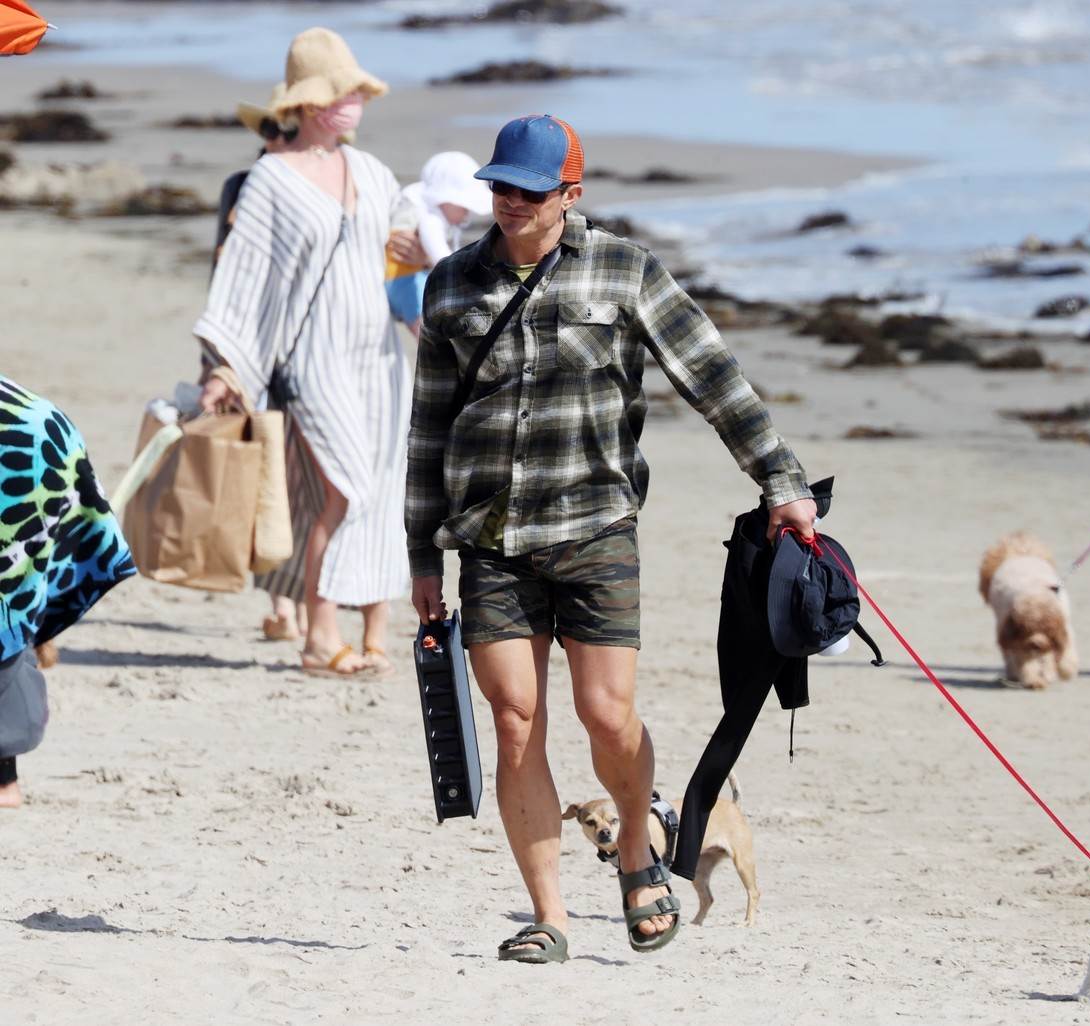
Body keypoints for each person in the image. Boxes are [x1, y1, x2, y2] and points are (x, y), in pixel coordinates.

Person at [406, 114, 817, 961]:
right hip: (489, 536)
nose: (509, 201)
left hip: (596, 530)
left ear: (571, 194)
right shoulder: (450, 285)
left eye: (529, 190)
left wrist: (780, 481)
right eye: (499, 187)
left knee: (606, 715)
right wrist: (421, 555)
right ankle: (549, 917)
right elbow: (427, 431)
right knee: (516, 723)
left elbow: (712, 376)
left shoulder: (626, 272)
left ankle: (636, 840)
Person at [196, 27, 409, 678]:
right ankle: (320, 632)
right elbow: (243, 278)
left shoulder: (373, 172)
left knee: (378, 490)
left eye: (356, 92)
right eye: (342, 92)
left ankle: (362, 628)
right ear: (312, 102)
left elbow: (402, 256)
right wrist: (225, 367)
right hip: (312, 359)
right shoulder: (270, 181)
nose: (353, 103)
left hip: (380, 356)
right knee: (342, 487)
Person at [0, 376, 135, 808]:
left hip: (22, 441)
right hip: (40, 430)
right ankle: (5, 782)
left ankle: (4, 783)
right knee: (13, 599)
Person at [209, 83, 312, 644]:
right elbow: (222, 279)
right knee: (266, 484)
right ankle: (282, 605)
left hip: (310, 354)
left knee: (306, 486)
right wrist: (218, 363)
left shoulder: (329, 186)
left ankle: (298, 602)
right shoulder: (241, 187)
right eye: (269, 129)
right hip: (250, 355)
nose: (274, 138)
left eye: (287, 129)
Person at [386, 151, 493, 331]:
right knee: (425, 326)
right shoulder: (430, 219)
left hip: (400, 276)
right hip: (403, 280)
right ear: (445, 200)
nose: (467, 213)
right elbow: (441, 257)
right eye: (464, 207)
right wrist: (465, 277)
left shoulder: (421, 209)